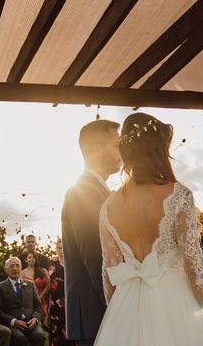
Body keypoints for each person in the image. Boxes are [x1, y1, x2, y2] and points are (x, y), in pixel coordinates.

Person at [95, 113, 203, 346]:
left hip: (127, 304)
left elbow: (109, 271)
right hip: (176, 304)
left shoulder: (108, 207)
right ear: (159, 151)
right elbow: (194, 266)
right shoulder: (178, 195)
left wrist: (118, 316)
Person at [61, 119, 121, 346]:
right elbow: (94, 255)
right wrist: (117, 302)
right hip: (94, 312)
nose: (121, 151)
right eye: (116, 144)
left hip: (98, 312)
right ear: (96, 148)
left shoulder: (101, 190)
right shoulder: (81, 191)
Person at [0, 257, 45, 346]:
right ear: (6, 270)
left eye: (17, 266)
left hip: (31, 323)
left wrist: (35, 318)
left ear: (21, 268)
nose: (15, 268)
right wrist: (14, 321)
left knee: (39, 335)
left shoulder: (30, 284)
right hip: (12, 325)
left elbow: (38, 306)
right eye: (11, 266)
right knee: (19, 338)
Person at [47, 238, 67, 346]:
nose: (62, 250)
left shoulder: (72, 261)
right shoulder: (52, 262)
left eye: (64, 247)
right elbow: (48, 282)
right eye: (59, 247)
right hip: (54, 300)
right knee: (56, 327)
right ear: (56, 249)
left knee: (68, 327)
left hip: (68, 298)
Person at [19, 252, 49, 321]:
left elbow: (48, 285)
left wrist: (40, 297)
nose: (32, 259)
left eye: (34, 257)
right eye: (30, 257)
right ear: (26, 260)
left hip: (42, 300)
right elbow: (21, 287)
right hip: (29, 302)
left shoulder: (43, 271)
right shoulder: (22, 272)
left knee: (43, 322)